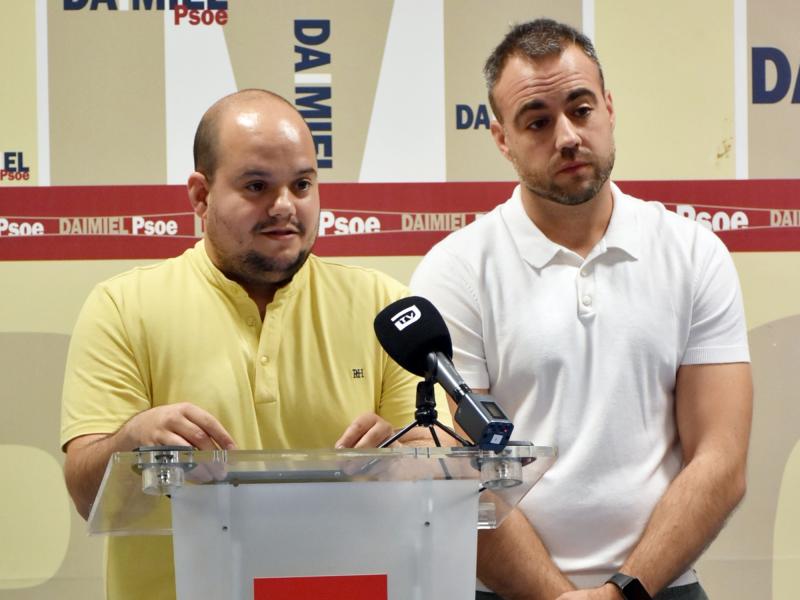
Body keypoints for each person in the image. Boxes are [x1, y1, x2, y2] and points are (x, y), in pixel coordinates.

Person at [410, 19, 752, 600]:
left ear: (609, 109)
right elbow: (459, 474)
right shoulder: (456, 269)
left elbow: (720, 460)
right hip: (507, 590)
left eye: (581, 109)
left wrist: (623, 590)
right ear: (501, 139)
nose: (567, 136)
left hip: (659, 588)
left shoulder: (693, 253)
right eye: (537, 121)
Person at [60, 89, 448, 600]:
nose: (284, 206)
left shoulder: (385, 306)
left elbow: (441, 471)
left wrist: (400, 460)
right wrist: (131, 440)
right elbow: (88, 496)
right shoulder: (122, 307)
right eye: (257, 186)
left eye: (302, 184)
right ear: (200, 195)